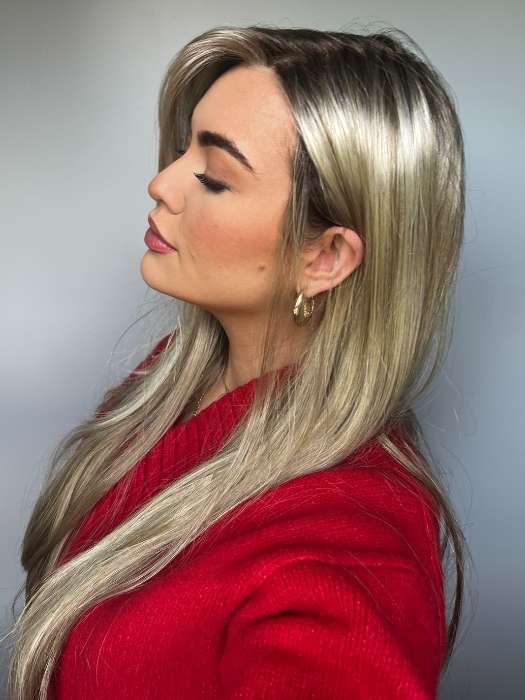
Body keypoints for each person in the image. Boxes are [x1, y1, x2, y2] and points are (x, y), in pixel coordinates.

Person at [6, 24, 468, 699]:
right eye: (182, 148)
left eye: (214, 178)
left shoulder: (344, 559)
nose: (161, 183)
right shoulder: (173, 382)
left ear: (325, 258)